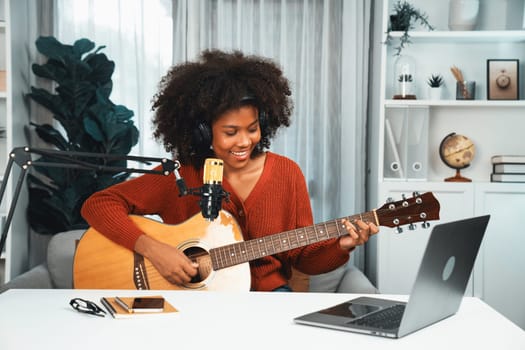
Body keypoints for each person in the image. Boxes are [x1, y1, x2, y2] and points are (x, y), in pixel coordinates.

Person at [81, 49, 379, 292]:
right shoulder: (181, 174)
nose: (245, 141)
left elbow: (303, 259)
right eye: (231, 132)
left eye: (252, 129)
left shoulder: (287, 174)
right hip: (196, 301)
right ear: (202, 133)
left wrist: (342, 244)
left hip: (267, 300)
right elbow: (98, 204)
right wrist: (154, 250)